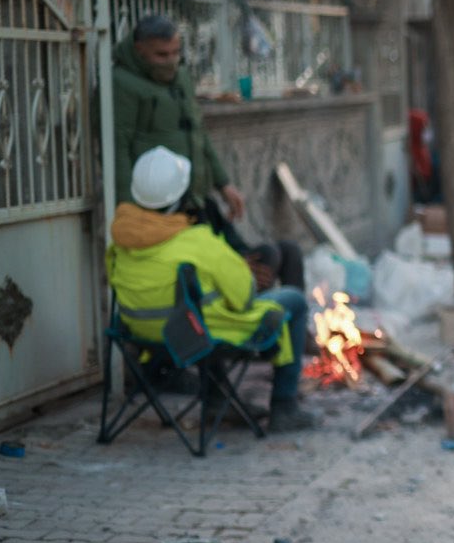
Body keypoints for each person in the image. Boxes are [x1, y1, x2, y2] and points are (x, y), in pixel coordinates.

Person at [106, 147, 319, 431]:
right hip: (196, 336)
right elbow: (244, 297)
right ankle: (284, 406)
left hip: (142, 336)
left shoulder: (120, 242)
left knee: (197, 310)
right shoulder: (197, 242)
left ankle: (219, 400)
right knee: (293, 300)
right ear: (181, 196)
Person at [113, 14, 303, 292]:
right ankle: (253, 324)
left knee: (281, 254)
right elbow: (118, 148)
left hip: (197, 201)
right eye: (161, 55)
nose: (170, 62)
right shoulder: (124, 84)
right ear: (140, 50)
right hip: (161, 211)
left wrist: (224, 184)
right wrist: (129, 211)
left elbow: (199, 135)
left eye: (176, 53)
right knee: (256, 269)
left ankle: (285, 328)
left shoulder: (180, 79)